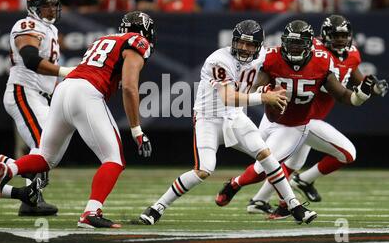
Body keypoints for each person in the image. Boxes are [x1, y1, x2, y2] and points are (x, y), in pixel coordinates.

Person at [139, 19, 318, 226]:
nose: (244, 47)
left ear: (258, 46)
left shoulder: (264, 54)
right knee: (204, 170)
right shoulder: (219, 60)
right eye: (241, 42)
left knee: (267, 157)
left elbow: (290, 49)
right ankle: (157, 208)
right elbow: (227, 97)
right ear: (233, 41)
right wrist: (263, 97)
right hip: (209, 119)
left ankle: (294, 206)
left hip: (235, 116)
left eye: (250, 44)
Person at [0, 11, 156, 229]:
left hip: (63, 89)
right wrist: (137, 130)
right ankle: (91, 212)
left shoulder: (103, 39)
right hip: (85, 92)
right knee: (114, 159)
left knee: (45, 158)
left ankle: (10, 168)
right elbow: (129, 87)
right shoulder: (139, 42)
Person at [214, 20, 376, 215]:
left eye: (299, 44)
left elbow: (343, 95)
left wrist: (361, 95)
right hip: (271, 116)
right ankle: (273, 201)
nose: (294, 48)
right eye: (291, 43)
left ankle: (236, 185)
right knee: (280, 164)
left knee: (266, 167)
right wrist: (258, 91)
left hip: (295, 125)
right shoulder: (272, 56)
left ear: (309, 45)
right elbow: (255, 83)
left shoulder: (323, 61)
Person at [0, 0, 76, 216]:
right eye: (45, 6)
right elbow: (31, 59)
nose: (51, 9)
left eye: (54, 5)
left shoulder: (49, 29)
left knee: (50, 148)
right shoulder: (27, 25)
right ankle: (29, 195)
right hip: (24, 91)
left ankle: (26, 193)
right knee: (45, 146)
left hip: (40, 97)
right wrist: (64, 72)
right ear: (33, 8)